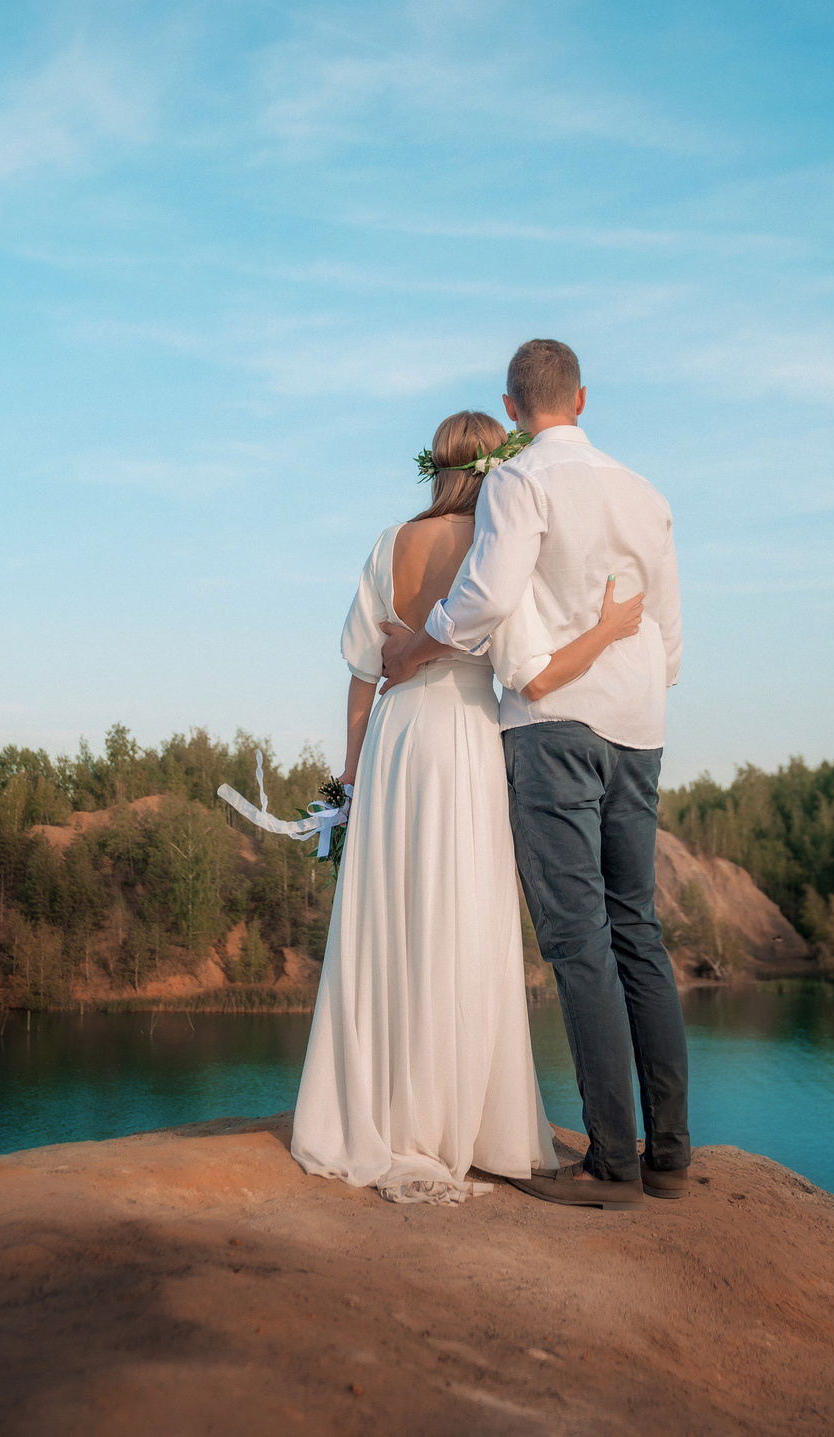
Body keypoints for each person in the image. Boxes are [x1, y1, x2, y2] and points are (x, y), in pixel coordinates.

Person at [287, 408, 651, 1205]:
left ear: (436, 467)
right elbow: (522, 658)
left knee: (392, 914)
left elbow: (360, 669)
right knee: (462, 914)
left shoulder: (389, 543)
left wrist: (350, 778)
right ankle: (463, 1116)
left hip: (396, 740)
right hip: (468, 737)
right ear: (500, 466)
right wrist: (603, 630)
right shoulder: (496, 545)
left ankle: (385, 1109)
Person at [381, 339, 689, 1208]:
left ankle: (613, 1162)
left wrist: (418, 642)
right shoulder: (648, 493)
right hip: (639, 728)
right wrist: (636, 693)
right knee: (639, 928)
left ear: (513, 410)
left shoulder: (521, 481)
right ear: (583, 398)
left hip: (554, 728)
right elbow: (667, 634)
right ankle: (670, 1155)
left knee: (578, 940)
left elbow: (485, 596)